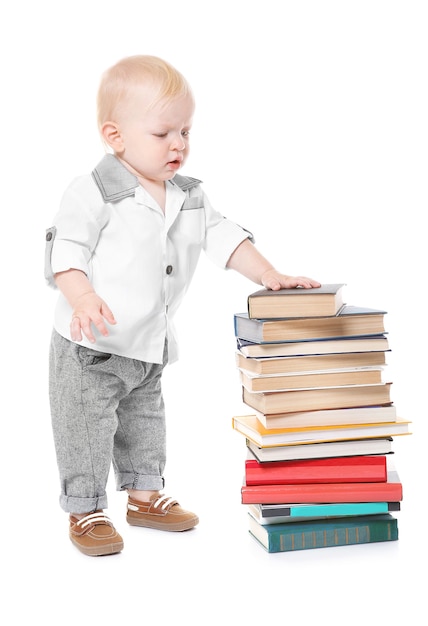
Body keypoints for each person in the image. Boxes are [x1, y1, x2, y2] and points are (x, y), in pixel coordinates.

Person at [45, 54, 320, 557]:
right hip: (90, 346)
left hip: (149, 344)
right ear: (115, 135)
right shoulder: (93, 193)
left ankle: (145, 496)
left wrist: (269, 273)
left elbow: (225, 239)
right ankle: (85, 508)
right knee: (85, 427)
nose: (179, 144)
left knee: (145, 422)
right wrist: (81, 295)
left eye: (186, 132)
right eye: (163, 133)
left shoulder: (190, 197)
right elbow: (67, 251)